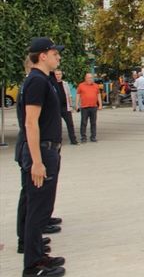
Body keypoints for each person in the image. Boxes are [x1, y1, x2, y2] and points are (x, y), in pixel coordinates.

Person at [17, 38, 67, 277]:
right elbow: (30, 122)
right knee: (37, 210)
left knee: (41, 208)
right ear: (43, 55)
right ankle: (32, 267)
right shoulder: (36, 81)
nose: (58, 56)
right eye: (54, 53)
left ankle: (37, 255)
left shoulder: (40, 80)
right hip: (41, 152)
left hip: (47, 150)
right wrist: (37, 161)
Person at [75, 73, 102, 143]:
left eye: (91, 78)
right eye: (88, 78)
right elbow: (78, 95)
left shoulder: (96, 86)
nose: (90, 79)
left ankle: (93, 137)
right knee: (83, 123)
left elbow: (98, 95)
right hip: (84, 107)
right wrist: (77, 105)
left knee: (93, 123)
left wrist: (100, 105)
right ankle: (83, 137)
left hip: (93, 107)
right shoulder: (81, 85)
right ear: (85, 78)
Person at [53, 70, 78, 145]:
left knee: (70, 124)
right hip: (56, 108)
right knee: (57, 126)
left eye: (59, 74)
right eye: (56, 74)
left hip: (65, 107)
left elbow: (69, 95)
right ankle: (58, 142)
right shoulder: (52, 84)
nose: (58, 75)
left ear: (61, 75)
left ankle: (73, 140)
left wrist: (70, 106)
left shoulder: (65, 84)